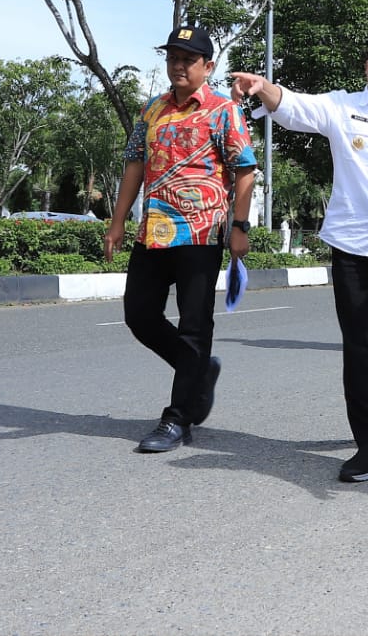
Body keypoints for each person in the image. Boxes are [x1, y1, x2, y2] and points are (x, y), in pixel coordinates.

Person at [229, 24, 368, 484]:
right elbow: (294, 107)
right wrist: (263, 87)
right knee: (359, 348)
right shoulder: (341, 106)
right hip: (353, 246)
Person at [105, 24, 256, 454]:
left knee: (194, 326)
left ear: (207, 67)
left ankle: (177, 418)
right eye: (173, 58)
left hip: (201, 233)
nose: (179, 66)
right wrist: (117, 222)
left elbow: (244, 169)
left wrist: (239, 228)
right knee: (139, 315)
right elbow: (134, 165)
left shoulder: (224, 110)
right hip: (153, 231)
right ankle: (200, 371)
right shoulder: (150, 110)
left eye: (189, 59)